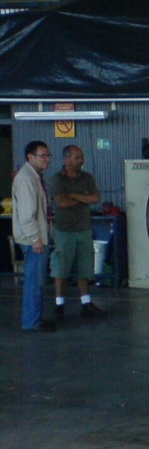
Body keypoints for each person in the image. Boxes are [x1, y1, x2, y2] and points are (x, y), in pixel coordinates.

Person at [50, 144, 106, 319]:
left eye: (81, 157)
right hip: (64, 229)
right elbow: (61, 203)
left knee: (85, 267)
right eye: (77, 157)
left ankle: (86, 303)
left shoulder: (87, 177)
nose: (81, 160)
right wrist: (83, 198)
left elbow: (95, 198)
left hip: (84, 228)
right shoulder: (57, 179)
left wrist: (73, 195)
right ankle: (59, 304)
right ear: (66, 159)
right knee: (62, 267)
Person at [12, 141, 56, 331]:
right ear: (30, 157)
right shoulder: (27, 179)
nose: (47, 159)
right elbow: (27, 213)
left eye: (48, 155)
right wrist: (35, 238)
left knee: (37, 281)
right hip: (33, 240)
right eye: (43, 155)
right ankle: (31, 322)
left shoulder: (35, 177)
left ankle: (34, 319)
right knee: (33, 282)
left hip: (38, 237)